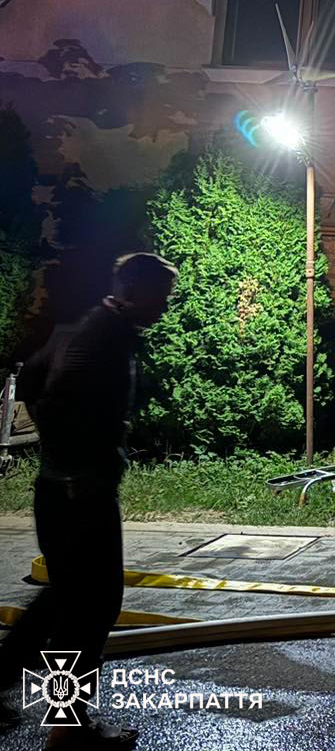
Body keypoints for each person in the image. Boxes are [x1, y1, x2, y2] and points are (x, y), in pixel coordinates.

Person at [0, 253, 177, 746]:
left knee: (66, 602)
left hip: (67, 488)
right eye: (160, 297)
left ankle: (57, 719)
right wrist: (77, 465)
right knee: (90, 607)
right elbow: (52, 396)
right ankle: (66, 729)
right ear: (135, 289)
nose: (164, 307)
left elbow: (33, 379)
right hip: (81, 494)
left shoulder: (90, 327)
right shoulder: (102, 336)